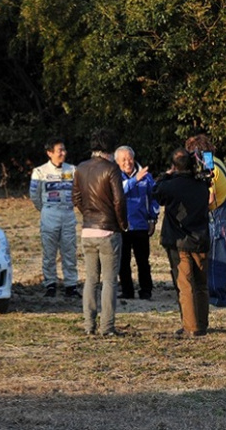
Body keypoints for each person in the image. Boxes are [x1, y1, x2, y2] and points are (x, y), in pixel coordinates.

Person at [72, 128, 128, 336]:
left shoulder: (81, 168)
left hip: (88, 229)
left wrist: (87, 213)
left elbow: (76, 197)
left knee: (91, 279)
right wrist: (122, 223)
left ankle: (89, 325)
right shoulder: (111, 169)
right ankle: (107, 326)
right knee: (110, 280)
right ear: (110, 148)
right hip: (108, 230)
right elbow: (119, 200)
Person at [153, 148, 210, 337]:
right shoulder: (202, 185)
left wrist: (165, 176)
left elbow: (156, 192)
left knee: (185, 284)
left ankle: (190, 326)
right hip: (201, 238)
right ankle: (201, 323)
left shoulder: (170, 186)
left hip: (180, 240)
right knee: (201, 284)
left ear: (174, 166)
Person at [185, 134, 226, 307]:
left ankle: (216, 298)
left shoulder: (208, 167)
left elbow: (209, 197)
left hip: (220, 217)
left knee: (216, 259)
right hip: (225, 211)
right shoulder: (216, 161)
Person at [30, 137, 80, 298]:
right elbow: (34, 195)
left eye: (64, 149)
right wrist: (45, 210)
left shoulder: (72, 170)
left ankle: (71, 285)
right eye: (60, 150)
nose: (63, 153)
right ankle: (50, 284)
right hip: (49, 213)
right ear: (49, 153)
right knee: (49, 252)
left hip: (68, 213)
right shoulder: (39, 172)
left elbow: (79, 191)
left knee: (69, 250)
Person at [114, 146, 160, 300]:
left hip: (141, 225)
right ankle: (127, 291)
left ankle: (146, 290)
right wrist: (134, 180)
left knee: (143, 261)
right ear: (117, 162)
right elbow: (118, 192)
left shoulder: (146, 177)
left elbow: (154, 198)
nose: (128, 162)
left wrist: (153, 219)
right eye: (123, 160)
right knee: (123, 261)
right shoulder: (114, 176)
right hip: (122, 225)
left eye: (130, 158)